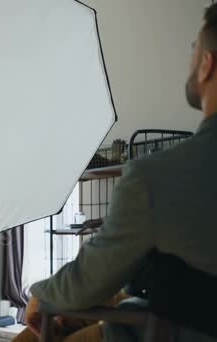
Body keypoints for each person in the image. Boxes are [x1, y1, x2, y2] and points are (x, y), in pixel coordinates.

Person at [21, 4, 217, 342]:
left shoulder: (155, 178)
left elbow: (87, 281)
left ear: (206, 65)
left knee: (32, 334)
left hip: (173, 327)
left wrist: (42, 293)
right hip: (167, 302)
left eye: (192, 51)